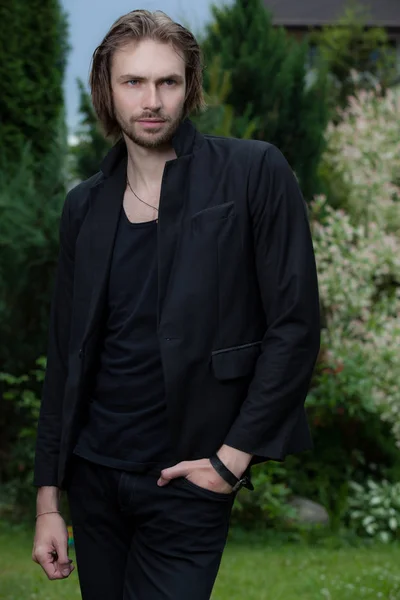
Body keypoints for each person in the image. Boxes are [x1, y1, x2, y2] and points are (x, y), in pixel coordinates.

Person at [32, 9, 320, 600]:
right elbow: (66, 357)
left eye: (168, 81)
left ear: (190, 87)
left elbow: (294, 326)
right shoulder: (84, 206)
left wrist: (229, 461)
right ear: (106, 92)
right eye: (132, 81)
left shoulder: (252, 172)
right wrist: (47, 501)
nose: (152, 100)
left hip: (187, 478)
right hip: (95, 478)